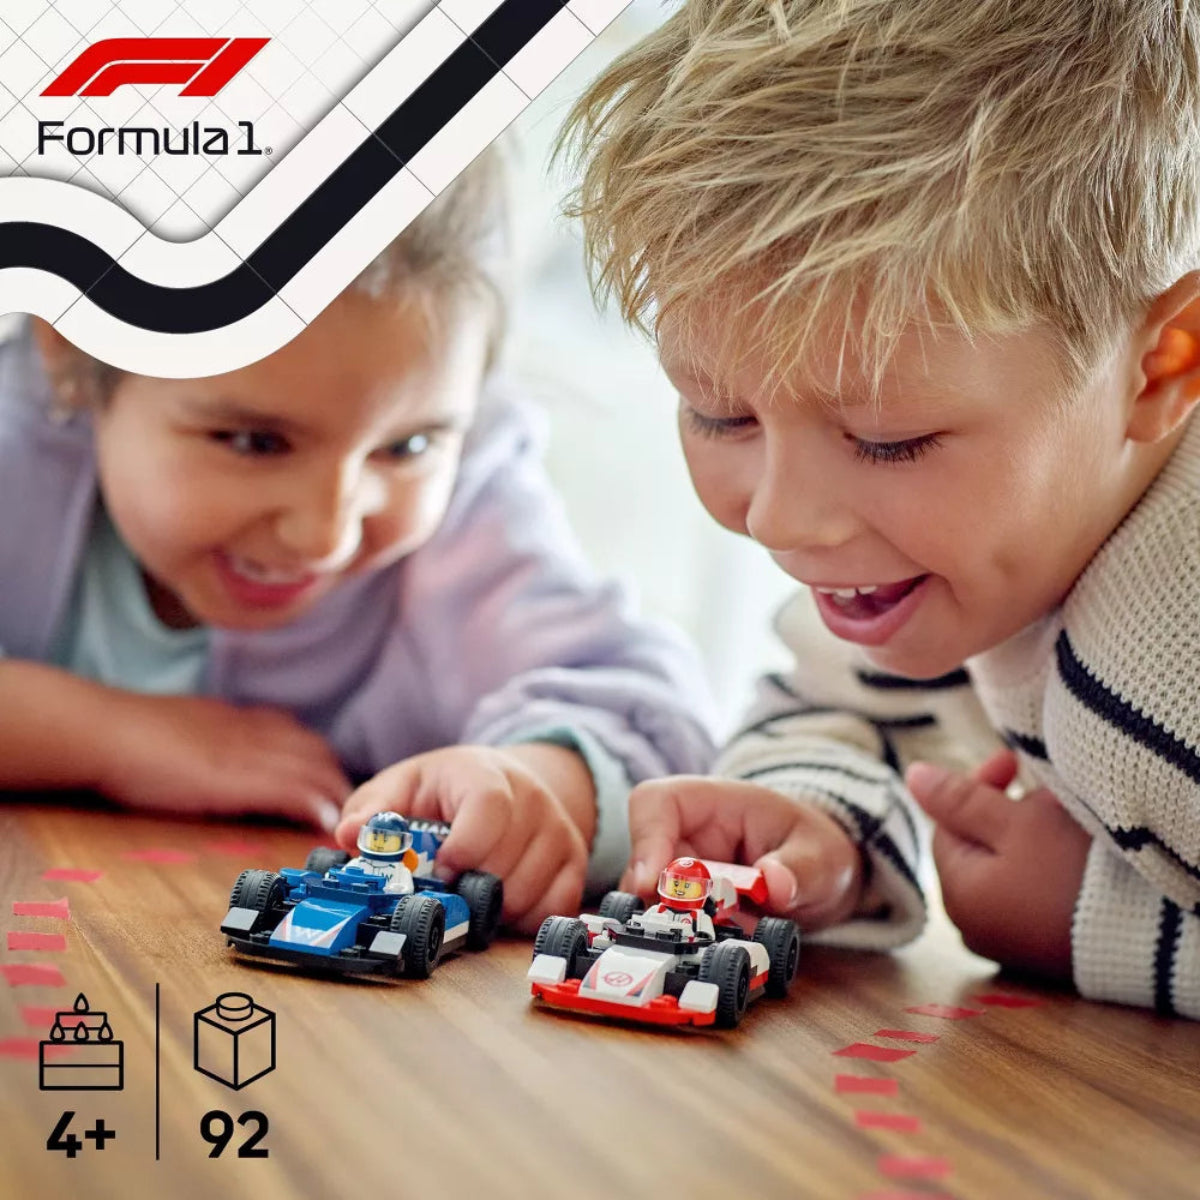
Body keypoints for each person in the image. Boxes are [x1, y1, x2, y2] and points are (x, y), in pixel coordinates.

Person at [561, 0, 1200, 1016]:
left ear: (1161, 366)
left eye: (888, 440)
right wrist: (811, 819)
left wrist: (1093, 923)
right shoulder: (944, 561)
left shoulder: (1176, 677)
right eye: (719, 415)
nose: (780, 519)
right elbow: (842, 703)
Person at [0, 148, 716, 932]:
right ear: (69, 352)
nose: (326, 533)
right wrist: (108, 735)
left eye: (407, 448)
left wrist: (539, 780)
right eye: (252, 442)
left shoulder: (465, 511)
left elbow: (647, 709)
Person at [343, 811, 419, 896]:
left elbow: (408, 889)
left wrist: (399, 889)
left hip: (387, 902)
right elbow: (341, 875)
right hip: (356, 896)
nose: (379, 844)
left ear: (401, 843)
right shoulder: (357, 863)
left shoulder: (401, 871)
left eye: (386, 840)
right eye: (375, 838)